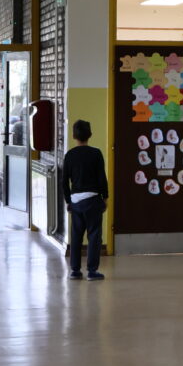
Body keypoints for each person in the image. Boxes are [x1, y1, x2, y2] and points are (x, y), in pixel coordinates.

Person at [60, 118, 108, 280]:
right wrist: (105, 197)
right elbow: (102, 178)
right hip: (93, 199)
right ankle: (92, 271)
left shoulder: (70, 155)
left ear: (74, 136)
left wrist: (68, 200)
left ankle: (75, 270)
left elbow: (64, 181)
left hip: (76, 201)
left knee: (76, 236)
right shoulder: (96, 153)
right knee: (94, 236)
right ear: (90, 134)